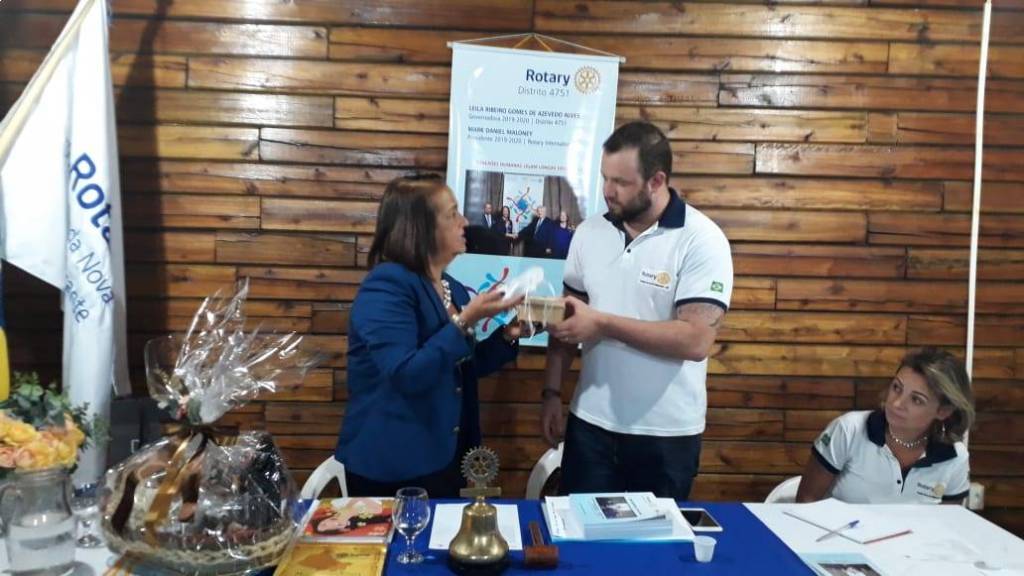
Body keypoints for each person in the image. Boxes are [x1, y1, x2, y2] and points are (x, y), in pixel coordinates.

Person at [540, 121, 733, 499]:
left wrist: (602, 323)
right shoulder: (589, 232)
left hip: (666, 435)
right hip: (590, 426)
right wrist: (551, 392)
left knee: (655, 539)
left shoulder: (702, 239)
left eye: (621, 182)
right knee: (580, 534)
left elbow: (695, 340)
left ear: (656, 181)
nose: (607, 191)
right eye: (604, 178)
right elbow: (569, 318)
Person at [335, 175, 526, 498]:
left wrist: (508, 335)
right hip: (393, 463)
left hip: (445, 456)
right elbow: (406, 373)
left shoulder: (451, 286)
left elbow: (462, 368)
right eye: (452, 214)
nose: (464, 222)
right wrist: (465, 321)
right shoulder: (386, 286)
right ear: (420, 227)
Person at [796, 348, 975, 504]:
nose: (896, 403)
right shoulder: (848, 430)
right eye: (897, 387)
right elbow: (806, 502)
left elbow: (948, 524)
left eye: (916, 399)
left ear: (943, 411)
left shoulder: (955, 457)